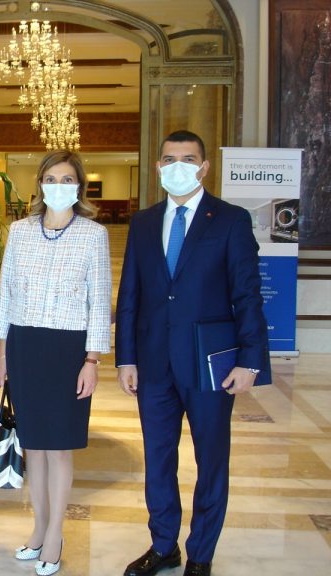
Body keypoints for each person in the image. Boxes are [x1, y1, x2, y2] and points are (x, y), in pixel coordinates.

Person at [116, 130, 269, 576]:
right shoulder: (144, 222)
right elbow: (130, 294)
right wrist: (126, 357)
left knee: (211, 461)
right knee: (158, 459)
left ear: (204, 167)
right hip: (154, 364)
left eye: (188, 158)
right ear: (158, 167)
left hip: (209, 364)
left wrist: (250, 359)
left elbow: (247, 294)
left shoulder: (230, 220)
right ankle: (164, 545)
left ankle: (201, 553)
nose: (177, 166)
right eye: (169, 159)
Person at [0, 149, 112, 576]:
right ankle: (39, 529)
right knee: (34, 446)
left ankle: (56, 534)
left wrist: (92, 359)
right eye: (51, 179)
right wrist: (2, 354)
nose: (59, 186)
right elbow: (6, 293)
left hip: (68, 350)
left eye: (67, 179)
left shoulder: (93, 235)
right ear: (40, 184)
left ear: (79, 186)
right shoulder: (19, 231)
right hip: (24, 345)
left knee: (59, 448)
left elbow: (100, 302)